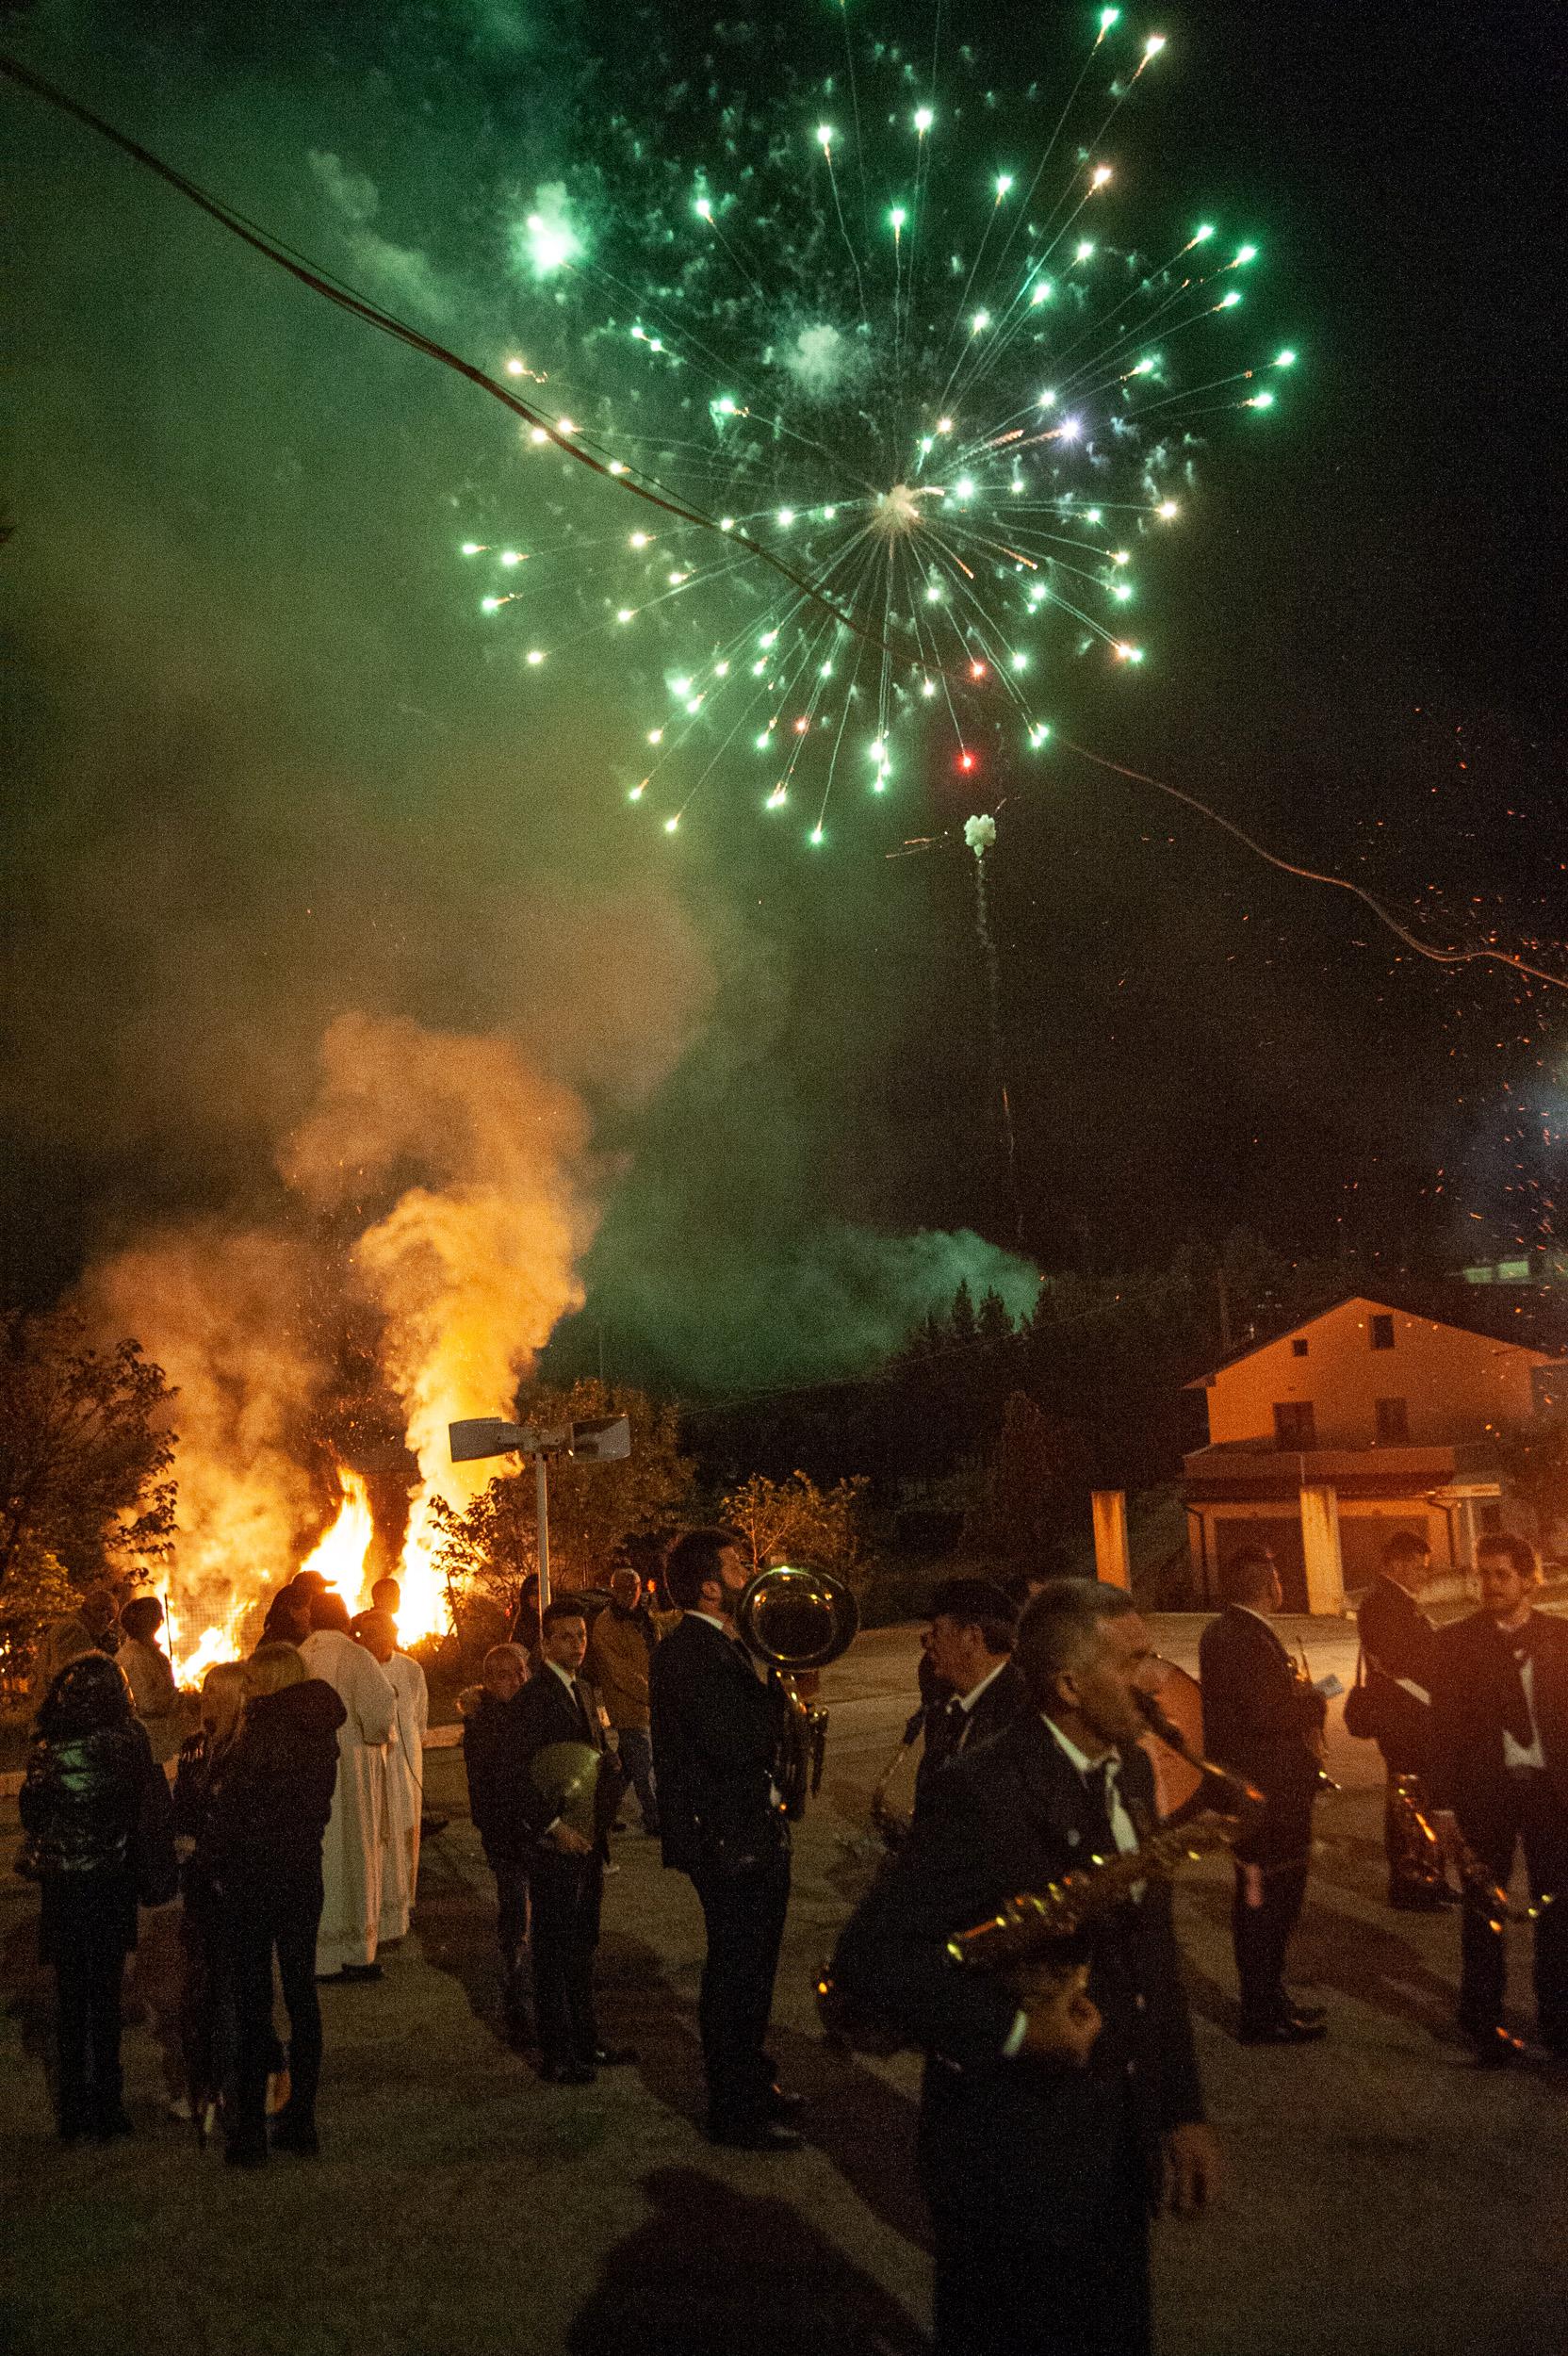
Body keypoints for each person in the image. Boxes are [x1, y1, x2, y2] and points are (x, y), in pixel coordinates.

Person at [830, 1580, 1218, 2356]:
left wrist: (1179, 2109)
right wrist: (1016, 2031)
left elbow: (1151, 1959)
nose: (1155, 1678)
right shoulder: (980, 1790)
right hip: (1007, 2158)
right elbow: (873, 1963)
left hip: (1114, 2145)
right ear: (1070, 1684)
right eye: (1135, 1660)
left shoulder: (1134, 1774)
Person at [648, 1527, 802, 2150]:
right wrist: (783, 1696)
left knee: (753, 1971)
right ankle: (735, 2111)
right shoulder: (690, 1652)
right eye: (739, 1565)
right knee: (737, 1974)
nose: (749, 1571)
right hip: (727, 1840)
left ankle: (753, 2083)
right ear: (710, 1587)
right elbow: (732, 1742)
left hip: (744, 1831)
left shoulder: (717, 1645)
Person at [19, 1650, 177, 2141]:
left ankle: (73, 2111)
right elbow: (145, 1806)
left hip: (65, 1886)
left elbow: (33, 1812)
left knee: (70, 1995)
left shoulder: (47, 1745)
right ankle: (108, 2106)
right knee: (106, 1995)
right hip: (111, 1881)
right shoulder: (129, 1741)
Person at [197, 1642, 346, 2163]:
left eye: (256, 1682)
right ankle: (301, 2120)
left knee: (254, 1999)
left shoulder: (260, 1731)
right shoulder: (321, 1727)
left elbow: (235, 1809)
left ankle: (249, 2135)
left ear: (270, 1682)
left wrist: (211, 1860)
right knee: (303, 1996)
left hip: (253, 1878)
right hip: (302, 1873)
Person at [1429, 1531, 1568, 2064]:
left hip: (1552, 1796)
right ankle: (1482, 2020)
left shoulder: (1560, 1637)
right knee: (1483, 1909)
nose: (1487, 1584)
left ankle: (1559, 2020)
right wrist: (1441, 1807)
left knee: (1559, 1909)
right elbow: (1443, 1730)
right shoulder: (1456, 1641)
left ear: (1531, 1579)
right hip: (1487, 1795)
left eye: (1500, 1574)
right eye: (1481, 1574)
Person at [1199, 1548, 1329, 2044]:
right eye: (1278, 1578)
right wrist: (1313, 1701)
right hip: (1269, 1794)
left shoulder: (1223, 1632)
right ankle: (1262, 2012)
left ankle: (1271, 1999)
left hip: (1253, 1790)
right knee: (1270, 1904)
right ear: (1270, 1585)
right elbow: (1268, 1717)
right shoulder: (1247, 1638)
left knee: (1261, 1903)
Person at [513, 1601, 634, 2084]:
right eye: (564, 1637)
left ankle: (587, 2041)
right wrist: (553, 1828)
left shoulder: (585, 1689)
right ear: (544, 1645)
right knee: (553, 1948)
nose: (576, 1645)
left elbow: (592, 1756)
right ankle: (557, 2053)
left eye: (580, 1635)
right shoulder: (533, 1698)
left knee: (583, 1945)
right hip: (556, 1845)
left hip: (589, 1840)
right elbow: (519, 1776)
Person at [165, 1660, 249, 2130]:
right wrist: (181, 1838)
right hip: (202, 1886)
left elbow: (245, 1816)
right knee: (203, 1990)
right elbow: (185, 1805)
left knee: (235, 1987)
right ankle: (207, 2084)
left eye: (216, 1692)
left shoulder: (251, 1749)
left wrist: (207, 1843)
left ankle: (242, 2082)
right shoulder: (196, 1749)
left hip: (235, 1883)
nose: (206, 1698)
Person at [299, 1590, 398, 1980]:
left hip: (309, 1771)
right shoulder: (358, 1657)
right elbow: (378, 1711)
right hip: (352, 1769)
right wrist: (378, 1735)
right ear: (344, 1620)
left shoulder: (300, 1655)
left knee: (322, 1857)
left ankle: (318, 1953)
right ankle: (354, 1953)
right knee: (355, 1853)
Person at [1356, 1530, 1452, 1909]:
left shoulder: (1398, 1600)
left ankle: (1432, 1876)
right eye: (1416, 1567)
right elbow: (1401, 1660)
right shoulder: (1382, 1603)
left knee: (1422, 1800)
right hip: (1403, 1720)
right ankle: (1411, 1885)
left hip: (1414, 1718)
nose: (1422, 1575)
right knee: (1408, 1804)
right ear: (1395, 1563)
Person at [462, 1644, 536, 2048]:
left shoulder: (528, 1714)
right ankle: (515, 1992)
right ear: (490, 1682)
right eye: (506, 1674)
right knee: (514, 1911)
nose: (517, 1680)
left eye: (522, 1671)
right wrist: (495, 1832)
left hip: (534, 1830)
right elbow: (487, 1789)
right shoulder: (485, 1724)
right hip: (507, 1834)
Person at [912, 1577, 1029, 1822]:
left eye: (936, 1632)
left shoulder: (1019, 1714)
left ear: (972, 1639)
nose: (928, 1643)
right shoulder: (949, 1703)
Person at [351, 1607, 429, 1944]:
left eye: (380, 1633)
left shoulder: (410, 1669)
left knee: (404, 1829)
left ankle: (404, 1903)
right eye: (366, 1634)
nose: (372, 1640)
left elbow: (419, 1717)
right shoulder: (357, 1669)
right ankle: (375, 1907)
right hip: (371, 1762)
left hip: (404, 1762)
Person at [585, 1563, 662, 1836]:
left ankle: (602, 1813)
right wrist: (653, 1695)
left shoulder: (642, 1618)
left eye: (634, 1587)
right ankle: (655, 1819)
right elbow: (621, 1673)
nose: (629, 1593)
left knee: (627, 1765)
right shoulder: (606, 1625)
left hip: (646, 1702)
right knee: (644, 1766)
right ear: (613, 1589)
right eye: (623, 1587)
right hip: (628, 1705)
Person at [116, 1595, 187, 1763]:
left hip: (162, 1743)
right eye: (155, 1615)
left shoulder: (152, 1654)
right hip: (151, 1746)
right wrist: (181, 1700)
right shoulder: (134, 1657)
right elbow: (147, 1704)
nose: (160, 1619)